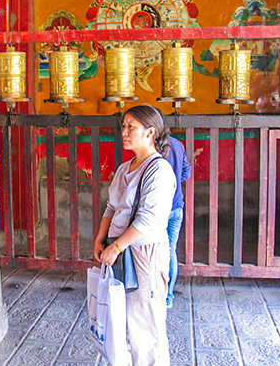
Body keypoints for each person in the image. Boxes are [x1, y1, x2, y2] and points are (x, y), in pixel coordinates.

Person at [93, 105, 176, 366]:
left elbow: (148, 220)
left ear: (150, 132)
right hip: (119, 251)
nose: (125, 132)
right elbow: (111, 207)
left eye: (132, 127)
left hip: (144, 254)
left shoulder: (158, 170)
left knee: (146, 326)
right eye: (124, 126)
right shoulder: (125, 168)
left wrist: (116, 247)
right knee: (123, 321)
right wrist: (100, 239)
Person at [155, 108, 192, 308]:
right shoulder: (177, 144)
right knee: (170, 250)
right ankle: (168, 297)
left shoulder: (153, 147)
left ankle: (155, 293)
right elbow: (186, 173)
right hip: (177, 206)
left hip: (158, 208)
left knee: (152, 250)